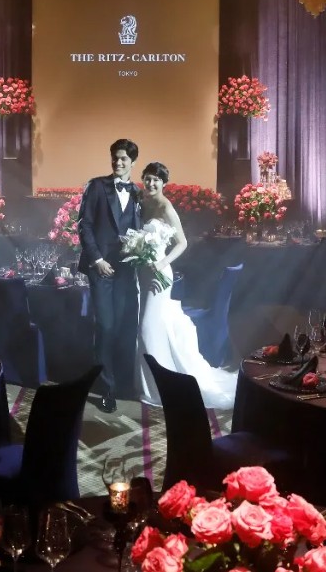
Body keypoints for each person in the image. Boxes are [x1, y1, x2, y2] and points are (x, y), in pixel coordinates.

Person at [136, 162, 237, 410]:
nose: (151, 183)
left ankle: (160, 387)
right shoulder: (141, 203)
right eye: (148, 178)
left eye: (156, 180)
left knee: (148, 328)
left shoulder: (166, 207)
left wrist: (162, 262)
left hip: (159, 273)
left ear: (164, 183)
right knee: (150, 327)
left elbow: (182, 243)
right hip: (141, 272)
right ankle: (148, 384)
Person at [78, 138, 141, 413]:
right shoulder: (96, 186)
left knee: (124, 329)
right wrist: (97, 260)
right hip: (101, 269)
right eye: (115, 157)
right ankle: (106, 390)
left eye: (124, 158)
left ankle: (123, 384)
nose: (118, 162)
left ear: (133, 162)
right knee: (105, 326)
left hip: (126, 273)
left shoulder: (138, 192)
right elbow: (85, 225)